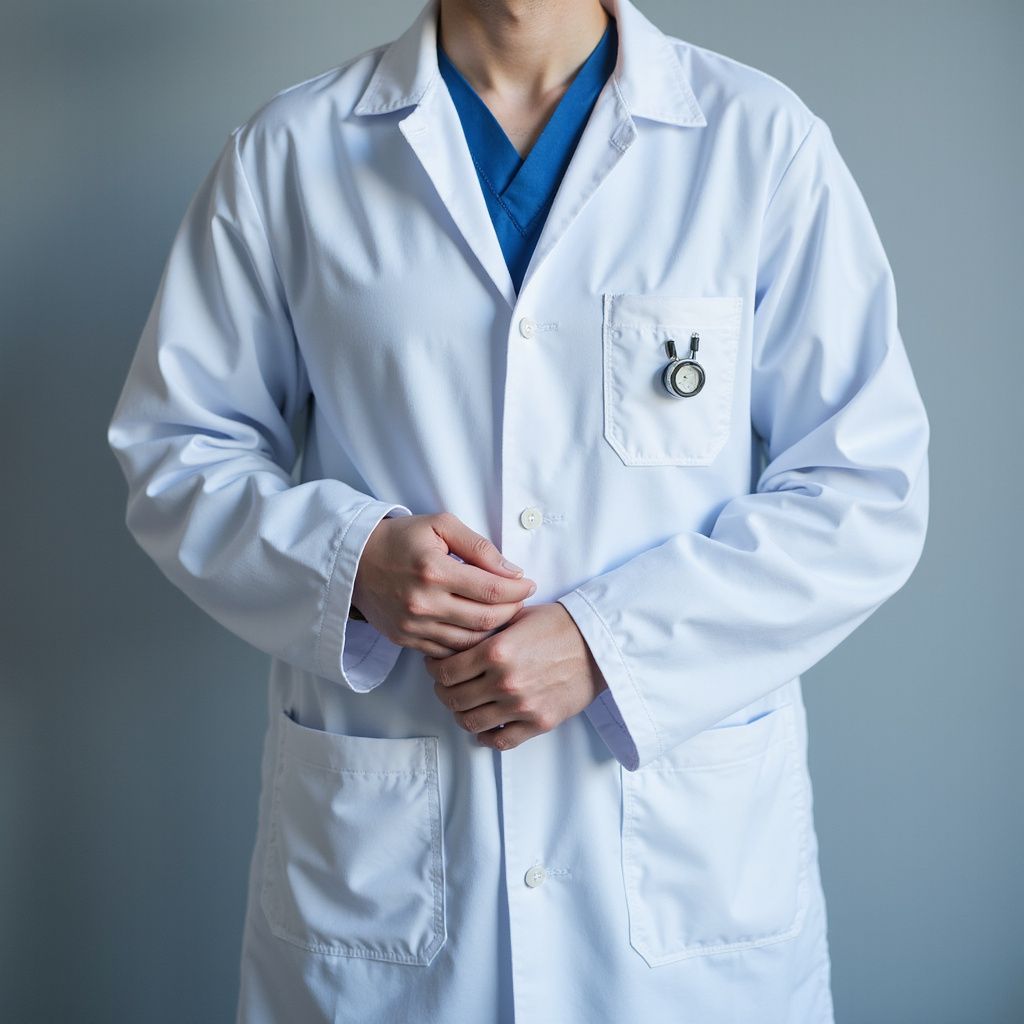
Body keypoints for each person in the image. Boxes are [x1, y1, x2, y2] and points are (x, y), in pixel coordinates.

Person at [106, 0, 930, 1020]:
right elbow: (176, 450)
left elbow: (863, 486)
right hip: (389, 877)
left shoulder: (756, 142)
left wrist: (607, 645)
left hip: (677, 875)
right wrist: (351, 563)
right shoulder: (293, 152)